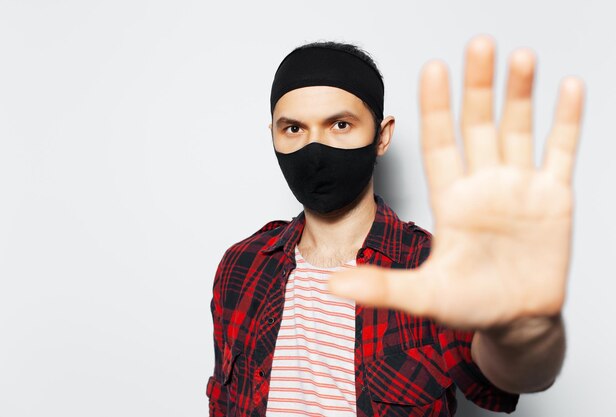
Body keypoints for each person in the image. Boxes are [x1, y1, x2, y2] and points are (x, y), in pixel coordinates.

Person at [206, 35, 585, 417]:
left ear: (382, 136)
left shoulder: (435, 269)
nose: (314, 149)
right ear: (272, 134)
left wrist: (523, 330)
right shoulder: (242, 265)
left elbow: (513, 374)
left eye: (340, 124)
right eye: (293, 129)